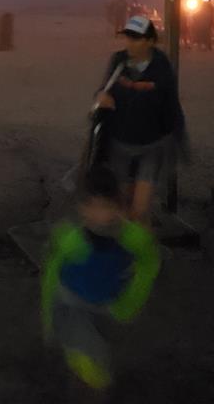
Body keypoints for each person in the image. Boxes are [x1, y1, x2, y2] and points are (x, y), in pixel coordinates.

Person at [42, 165, 161, 394]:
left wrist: (132, 300)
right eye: (92, 207)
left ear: (119, 207)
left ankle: (84, 382)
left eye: (106, 207)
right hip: (72, 305)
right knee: (92, 366)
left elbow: (149, 263)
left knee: (94, 356)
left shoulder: (134, 238)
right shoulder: (69, 239)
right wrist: (49, 316)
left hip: (106, 307)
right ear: (82, 208)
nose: (100, 216)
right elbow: (52, 275)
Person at [93, 16, 190, 224]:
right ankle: (127, 242)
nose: (129, 43)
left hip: (151, 147)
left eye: (135, 39)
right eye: (127, 37)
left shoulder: (161, 66)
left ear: (150, 41)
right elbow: (104, 89)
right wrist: (101, 97)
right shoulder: (118, 61)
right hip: (119, 145)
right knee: (122, 206)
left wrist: (179, 139)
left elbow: (171, 103)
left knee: (140, 210)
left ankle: (141, 242)